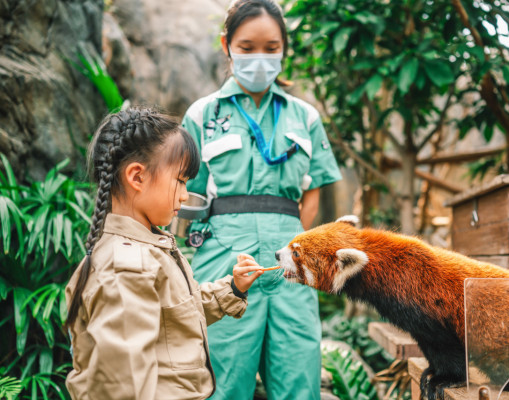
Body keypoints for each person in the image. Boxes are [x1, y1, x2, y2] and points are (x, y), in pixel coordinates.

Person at [181, 1, 343, 399]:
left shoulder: (305, 117)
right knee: (223, 382)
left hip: (292, 262)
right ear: (227, 45)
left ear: (284, 50)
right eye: (248, 46)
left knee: (298, 378)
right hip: (223, 260)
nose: (260, 57)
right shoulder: (201, 115)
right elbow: (186, 194)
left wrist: (293, 240)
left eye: (271, 48)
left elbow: (312, 196)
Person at [64, 108, 265, 399]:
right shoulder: (128, 267)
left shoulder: (147, 247)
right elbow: (123, 386)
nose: (185, 195)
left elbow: (173, 317)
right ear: (137, 177)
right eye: (180, 180)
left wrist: (231, 289)